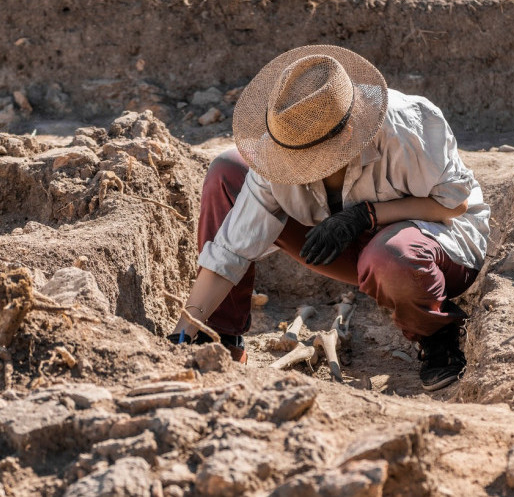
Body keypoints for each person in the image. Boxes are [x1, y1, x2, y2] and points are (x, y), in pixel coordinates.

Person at [168, 45, 489, 391]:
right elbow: (231, 247)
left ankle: (437, 332)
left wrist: (366, 216)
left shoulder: (409, 127)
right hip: (347, 246)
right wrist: (187, 327)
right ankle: (218, 338)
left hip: (437, 244)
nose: (294, 170)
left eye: (309, 160)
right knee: (228, 171)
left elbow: (454, 204)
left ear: (347, 136)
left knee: (390, 256)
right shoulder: (284, 142)